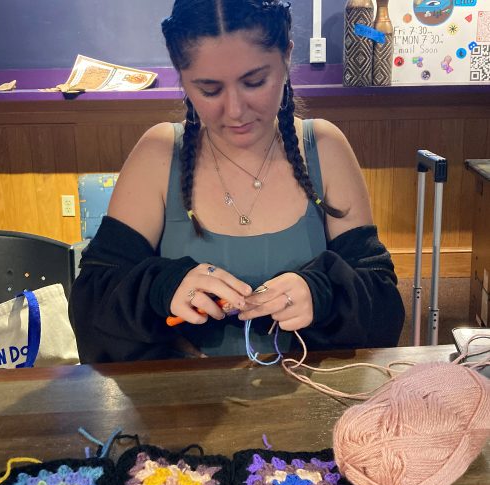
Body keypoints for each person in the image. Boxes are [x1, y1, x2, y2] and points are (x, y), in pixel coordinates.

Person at [68, 0, 405, 363]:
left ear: (287, 56)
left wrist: (323, 292)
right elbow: (91, 307)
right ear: (181, 76)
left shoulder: (324, 149)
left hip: (313, 403)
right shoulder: (159, 154)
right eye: (209, 90)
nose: (235, 111)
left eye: (255, 81)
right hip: (181, 411)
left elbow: (383, 308)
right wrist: (160, 286)